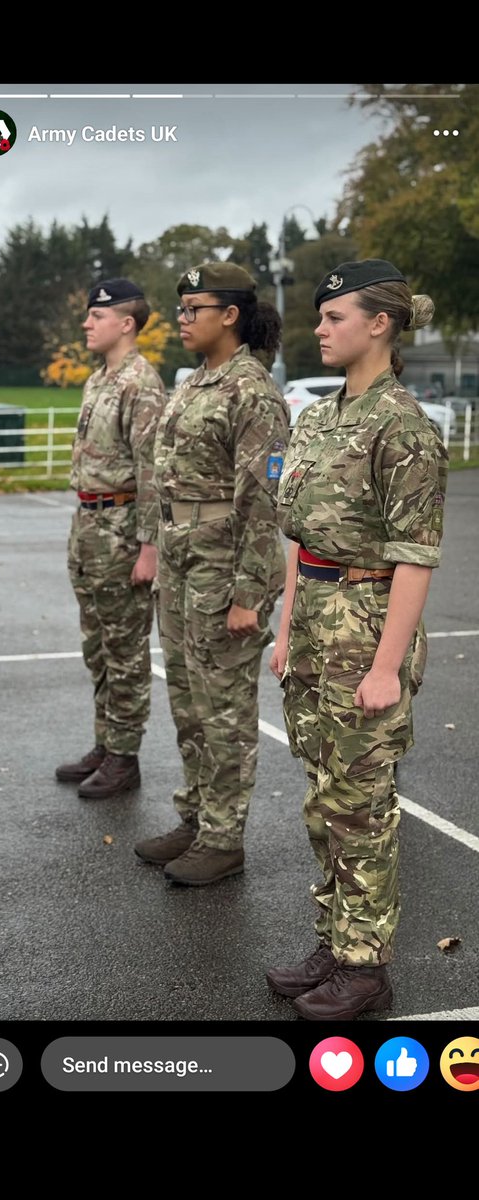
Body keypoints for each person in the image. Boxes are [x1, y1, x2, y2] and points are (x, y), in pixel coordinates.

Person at [265, 259, 448, 1018]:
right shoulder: (316, 418)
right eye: (319, 315)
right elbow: (299, 537)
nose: (319, 328)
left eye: (334, 316)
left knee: (360, 804)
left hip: (364, 624)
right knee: (323, 797)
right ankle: (335, 941)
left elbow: (414, 557)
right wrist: (284, 630)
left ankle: (366, 967)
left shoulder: (402, 426)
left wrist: (386, 668)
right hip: (313, 622)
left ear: (379, 323)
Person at [134, 262, 290, 885]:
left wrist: (250, 593)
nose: (182, 317)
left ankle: (224, 839)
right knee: (189, 700)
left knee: (224, 706)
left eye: (193, 308)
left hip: (223, 567)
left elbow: (263, 501)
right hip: (181, 562)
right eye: (181, 307)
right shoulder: (196, 382)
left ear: (229, 315)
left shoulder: (252, 391)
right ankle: (197, 817)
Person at [55, 278, 167, 799]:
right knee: (97, 646)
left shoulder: (141, 384)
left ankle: (124, 756)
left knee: (124, 650)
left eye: (96, 316)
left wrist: (149, 548)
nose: (86, 323)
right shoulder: (99, 379)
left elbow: (152, 471)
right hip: (89, 527)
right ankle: (105, 743)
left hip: (122, 529)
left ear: (126, 324)